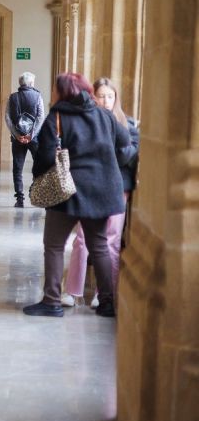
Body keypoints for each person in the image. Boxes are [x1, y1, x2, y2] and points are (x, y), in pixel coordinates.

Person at [23, 73, 130, 318]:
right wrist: (110, 163)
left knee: (54, 245)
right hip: (102, 191)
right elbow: (125, 144)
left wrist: (40, 175)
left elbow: (46, 158)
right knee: (100, 246)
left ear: (62, 92)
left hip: (68, 192)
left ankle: (51, 301)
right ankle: (107, 302)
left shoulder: (58, 116)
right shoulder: (104, 114)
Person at [62, 77, 140, 310]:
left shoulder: (127, 124)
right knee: (82, 240)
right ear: (93, 97)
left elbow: (128, 156)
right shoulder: (85, 122)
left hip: (118, 189)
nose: (106, 100)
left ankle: (104, 294)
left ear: (116, 98)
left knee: (112, 240)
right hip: (90, 188)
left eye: (110, 96)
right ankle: (72, 292)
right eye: (101, 95)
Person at [5, 72, 46, 208]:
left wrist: (17, 135)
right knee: (39, 165)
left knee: (17, 168)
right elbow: (40, 117)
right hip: (33, 139)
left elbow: (8, 118)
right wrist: (32, 135)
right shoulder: (38, 96)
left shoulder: (12, 97)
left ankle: (19, 199)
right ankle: (33, 191)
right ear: (31, 83)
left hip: (17, 140)